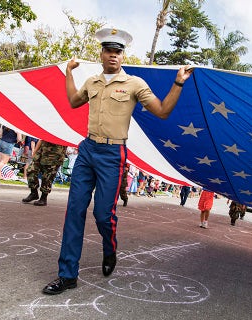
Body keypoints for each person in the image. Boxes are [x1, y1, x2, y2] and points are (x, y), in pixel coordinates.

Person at [42, 27, 193, 295]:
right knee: (74, 211)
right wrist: (68, 73)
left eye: (118, 52)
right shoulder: (91, 82)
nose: (113, 56)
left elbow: (162, 111)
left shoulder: (134, 84)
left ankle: (109, 248)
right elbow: (73, 101)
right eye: (108, 51)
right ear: (101, 54)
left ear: (123, 56)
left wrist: (178, 82)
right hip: (87, 150)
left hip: (113, 154)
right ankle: (67, 275)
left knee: (103, 214)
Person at [21, 140, 67, 206]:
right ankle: (34, 193)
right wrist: (35, 152)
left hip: (55, 155)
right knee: (31, 170)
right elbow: (41, 139)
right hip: (41, 152)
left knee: (47, 177)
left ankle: (43, 198)